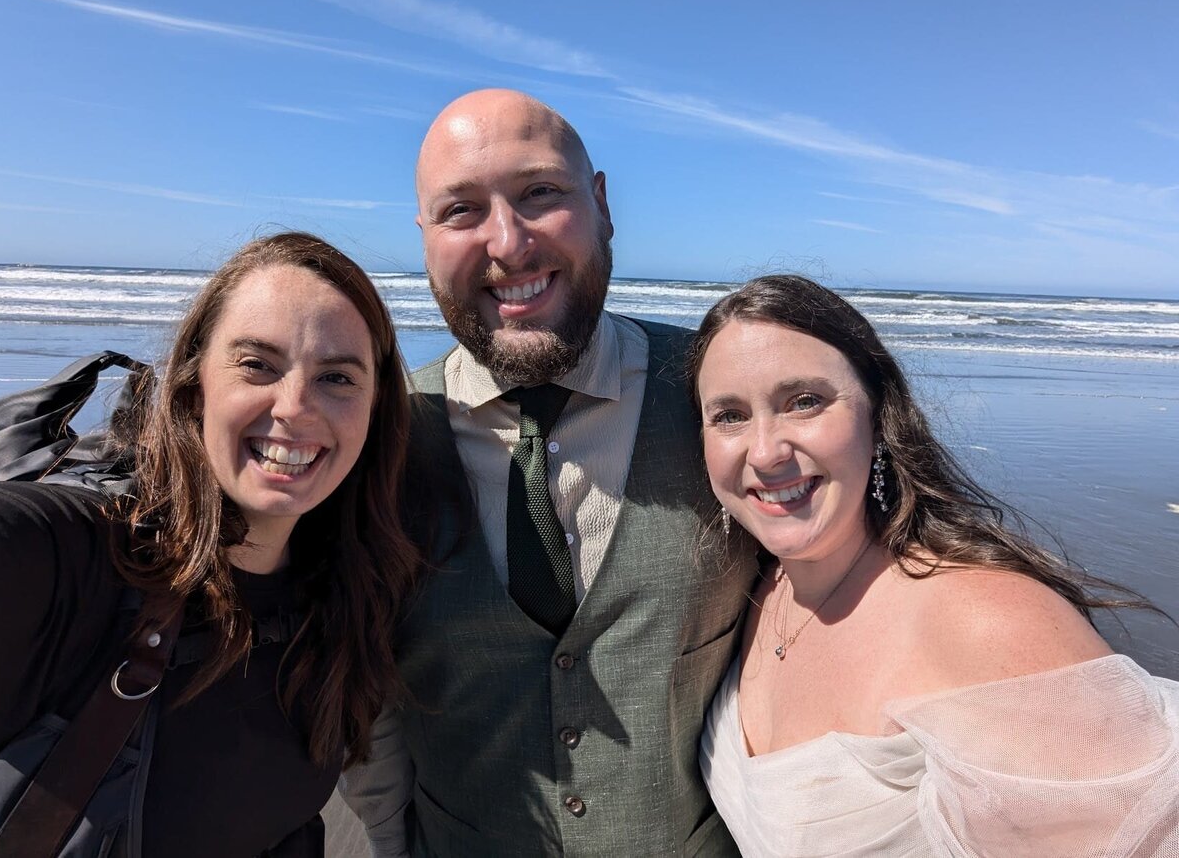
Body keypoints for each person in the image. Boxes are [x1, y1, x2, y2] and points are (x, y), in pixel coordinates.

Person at [339, 89, 755, 856]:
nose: (508, 243)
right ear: (425, 235)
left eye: (540, 194)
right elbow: (365, 700)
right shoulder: (373, 439)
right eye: (461, 211)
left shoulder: (723, 397)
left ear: (601, 205)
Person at [691, 275, 1179, 856]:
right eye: (729, 416)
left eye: (805, 402)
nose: (766, 451)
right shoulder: (755, 589)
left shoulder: (985, 620)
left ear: (877, 418)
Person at [0, 232, 422, 856]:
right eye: (257, 365)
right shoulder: (72, 554)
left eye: (337, 377)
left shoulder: (343, 600)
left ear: (375, 410)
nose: (293, 407)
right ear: (193, 390)